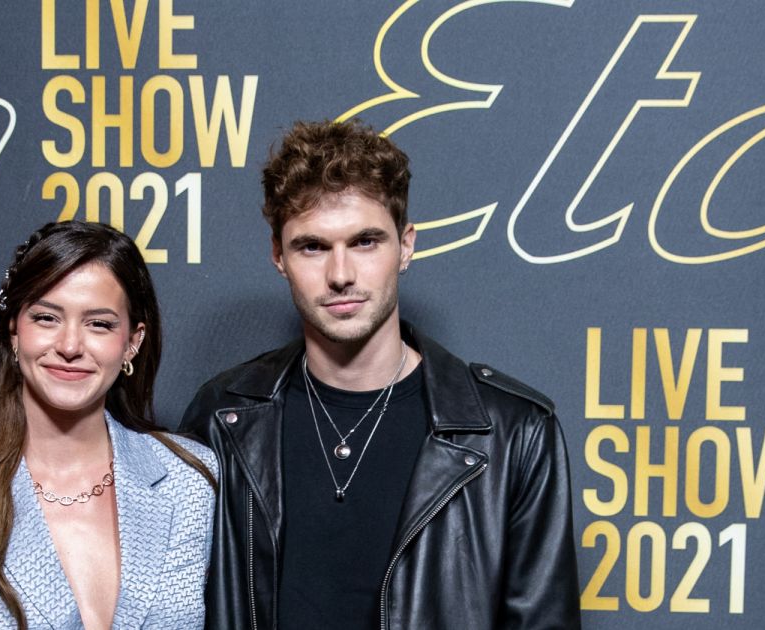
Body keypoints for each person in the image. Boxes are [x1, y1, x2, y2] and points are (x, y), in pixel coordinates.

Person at [180, 120, 580, 629]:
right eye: (312, 247)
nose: (341, 273)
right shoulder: (222, 418)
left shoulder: (512, 433)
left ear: (406, 246)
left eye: (366, 242)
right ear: (279, 256)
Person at [0, 220, 217, 630]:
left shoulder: (191, 484)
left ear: (132, 341)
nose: (70, 346)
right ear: (14, 331)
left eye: (99, 324)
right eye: (46, 318)